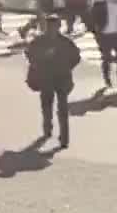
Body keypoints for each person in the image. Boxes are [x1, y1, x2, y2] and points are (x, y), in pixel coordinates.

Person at [25, 15, 82, 149]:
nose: (51, 29)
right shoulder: (64, 41)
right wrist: (67, 66)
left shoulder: (40, 41)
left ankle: (54, 132)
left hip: (53, 78)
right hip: (56, 78)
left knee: (52, 107)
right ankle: (60, 135)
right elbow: (76, 57)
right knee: (55, 107)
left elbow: (30, 56)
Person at [89, 0, 117, 88]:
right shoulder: (98, 5)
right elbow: (91, 22)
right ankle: (107, 78)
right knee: (106, 58)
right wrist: (97, 37)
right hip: (104, 37)